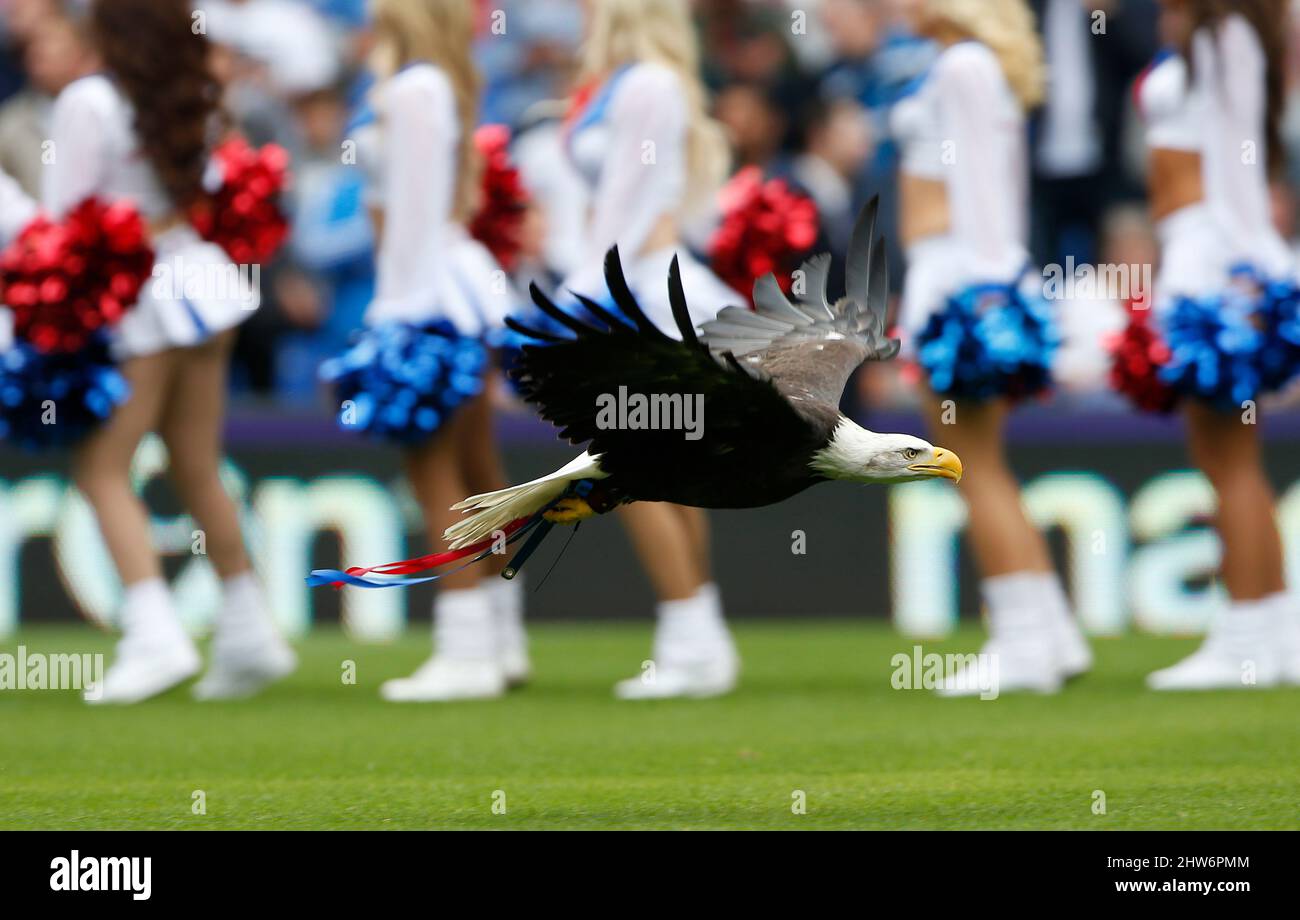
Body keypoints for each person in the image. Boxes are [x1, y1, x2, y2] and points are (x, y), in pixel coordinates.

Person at [43, 0, 295, 703]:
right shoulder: (196, 94)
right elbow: (214, 194)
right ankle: (250, 632)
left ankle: (153, 636)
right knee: (196, 466)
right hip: (202, 283)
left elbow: (65, 218)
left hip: (135, 293)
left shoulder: (89, 99)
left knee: (101, 468)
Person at [890, 0, 1091, 694]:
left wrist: (983, 297)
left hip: (962, 278)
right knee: (984, 465)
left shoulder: (965, 65)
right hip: (954, 274)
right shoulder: (960, 64)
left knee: (969, 466)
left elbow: (986, 195)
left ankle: (1020, 642)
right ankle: (1049, 631)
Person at [324, 0, 523, 701]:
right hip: (453, 285)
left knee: (435, 468)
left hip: (424, 291)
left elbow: (408, 216)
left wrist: (393, 317)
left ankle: (466, 648)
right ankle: (500, 637)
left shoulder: (414, 87)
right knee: (476, 468)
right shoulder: (434, 80)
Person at [559, 0, 743, 699]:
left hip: (640, 288)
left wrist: (582, 300)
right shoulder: (629, 82)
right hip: (630, 280)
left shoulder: (648, 85)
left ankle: (692, 635)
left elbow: (630, 208)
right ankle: (696, 637)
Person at [1133, 0, 1300, 689]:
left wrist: (1241, 272)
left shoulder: (1229, 36)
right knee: (1229, 460)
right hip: (1196, 253)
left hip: (1214, 262)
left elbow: (1240, 167)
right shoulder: (1208, 35)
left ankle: (1246, 639)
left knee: (1227, 459)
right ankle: (1270, 632)